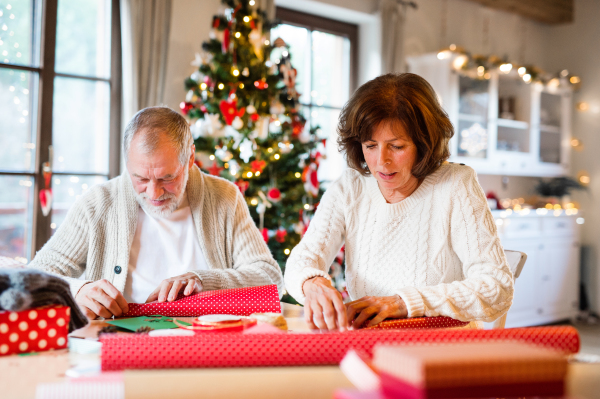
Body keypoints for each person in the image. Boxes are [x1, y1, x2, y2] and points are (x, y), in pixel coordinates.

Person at [284, 73, 514, 331]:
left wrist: (404, 302)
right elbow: (301, 260)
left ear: (423, 144)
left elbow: (497, 288)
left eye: (396, 146)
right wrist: (314, 283)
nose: (381, 162)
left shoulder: (456, 185)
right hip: (370, 340)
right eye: (370, 145)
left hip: (443, 349)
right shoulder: (351, 186)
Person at [30, 106, 283, 320]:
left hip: (209, 338)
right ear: (127, 162)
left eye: (167, 178)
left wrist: (202, 280)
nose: (153, 193)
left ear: (190, 158)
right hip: (122, 339)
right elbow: (34, 275)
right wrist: (78, 289)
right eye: (140, 178)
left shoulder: (224, 197)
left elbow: (271, 279)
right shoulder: (97, 204)